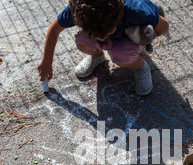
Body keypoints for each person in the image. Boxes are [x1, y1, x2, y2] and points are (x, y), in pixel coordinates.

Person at [37, 0, 169, 96]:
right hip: (109, 30)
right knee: (82, 41)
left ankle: (140, 67)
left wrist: (143, 37)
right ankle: (97, 57)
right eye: (95, 35)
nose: (101, 38)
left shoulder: (136, 10)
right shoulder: (81, 9)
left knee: (120, 54)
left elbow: (163, 26)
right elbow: (54, 30)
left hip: (128, 38)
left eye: (107, 33)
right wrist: (47, 61)